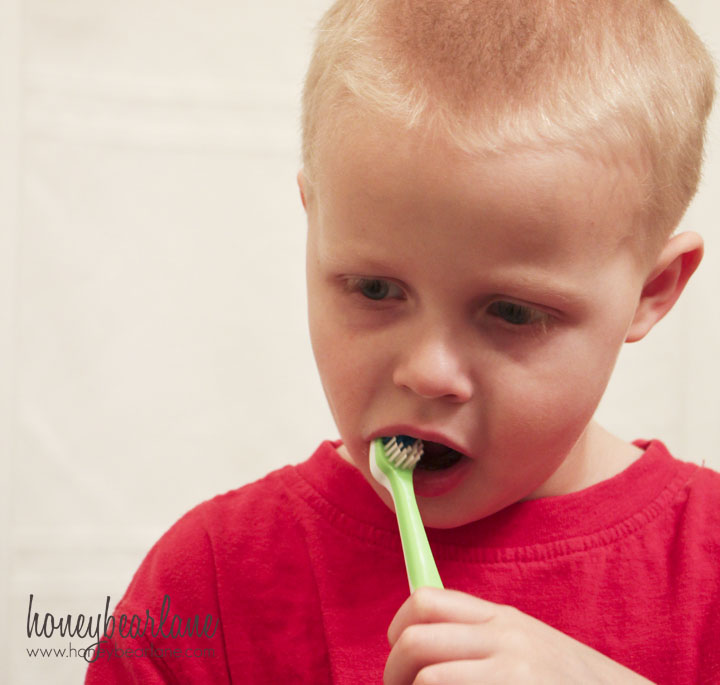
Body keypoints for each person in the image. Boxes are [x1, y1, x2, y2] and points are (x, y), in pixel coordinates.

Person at [85, 1, 719, 683]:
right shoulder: (207, 580)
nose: (427, 372)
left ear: (652, 291)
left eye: (509, 310)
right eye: (375, 290)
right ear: (314, 229)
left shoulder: (707, 568)